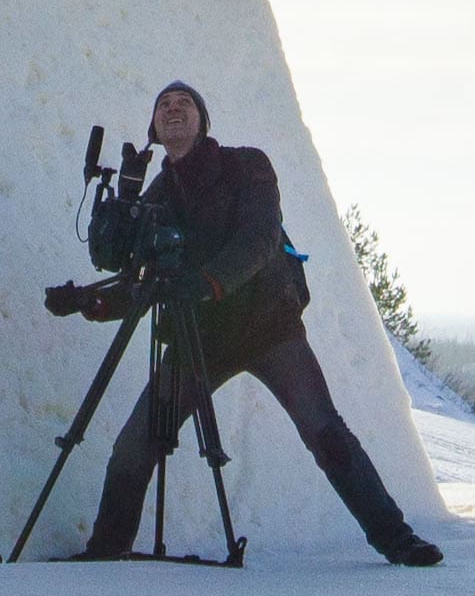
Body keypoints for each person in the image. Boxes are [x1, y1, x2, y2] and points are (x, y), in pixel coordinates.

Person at [47, 80, 444, 567]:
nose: (173, 109)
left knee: (324, 430)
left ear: (202, 120)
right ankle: (106, 549)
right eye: (164, 106)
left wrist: (207, 282)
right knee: (136, 442)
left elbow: (258, 241)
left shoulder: (247, 166)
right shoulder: (156, 196)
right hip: (202, 340)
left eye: (184, 103)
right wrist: (89, 303)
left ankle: (397, 539)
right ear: (153, 127)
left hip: (268, 328)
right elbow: (143, 282)